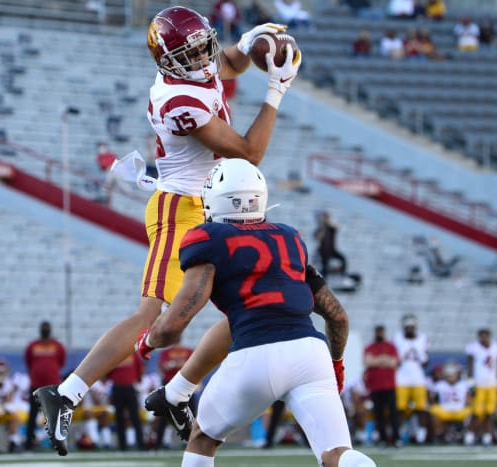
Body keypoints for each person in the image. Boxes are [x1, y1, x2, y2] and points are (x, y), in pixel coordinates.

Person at [32, 6, 301, 457]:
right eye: (191, 55)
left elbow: (229, 62)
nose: (202, 60)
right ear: (169, 61)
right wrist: (276, 89)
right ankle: (66, 393)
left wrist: (251, 41)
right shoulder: (176, 100)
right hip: (180, 209)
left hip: (214, 207)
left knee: (250, 310)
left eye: (203, 49)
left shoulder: (193, 63)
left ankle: (176, 394)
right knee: (152, 318)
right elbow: (248, 152)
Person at [136, 159, 376, 467]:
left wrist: (148, 340)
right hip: (311, 353)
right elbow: (338, 316)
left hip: (255, 354)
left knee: (203, 438)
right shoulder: (289, 237)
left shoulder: (206, 237)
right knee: (337, 454)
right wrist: (337, 364)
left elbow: (173, 325)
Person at [23, 321, 66, 451]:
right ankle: (28, 444)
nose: (45, 330)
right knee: (32, 416)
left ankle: (58, 443)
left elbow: (61, 362)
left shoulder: (57, 346)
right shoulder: (33, 346)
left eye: (47, 328)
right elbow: (29, 362)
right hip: (36, 386)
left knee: (54, 415)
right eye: (44, 328)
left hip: (52, 386)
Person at [393, 314, 429, 444]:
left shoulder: (422, 338)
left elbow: (426, 362)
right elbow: (396, 360)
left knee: (421, 409)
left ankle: (421, 436)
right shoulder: (398, 338)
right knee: (400, 409)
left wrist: (419, 354)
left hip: (418, 379)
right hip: (401, 379)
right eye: (407, 327)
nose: (409, 330)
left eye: (411, 327)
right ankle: (401, 434)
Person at [464, 329, 497, 446]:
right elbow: (470, 365)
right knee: (476, 413)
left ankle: (487, 435)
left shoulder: (496, 347)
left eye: (486, 336)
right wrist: (470, 381)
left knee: (490, 413)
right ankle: (470, 434)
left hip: (492, 385)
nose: (484, 338)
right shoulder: (474, 347)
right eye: (482, 336)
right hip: (479, 384)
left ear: (490, 336)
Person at [363, 325, 400, 447]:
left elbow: (393, 362)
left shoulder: (391, 347)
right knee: (379, 415)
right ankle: (382, 439)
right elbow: (368, 362)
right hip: (375, 387)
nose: (379, 334)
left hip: (389, 385)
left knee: (393, 413)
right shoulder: (370, 347)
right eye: (378, 332)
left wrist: (376, 360)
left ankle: (396, 438)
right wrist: (384, 359)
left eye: (381, 332)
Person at [154, 337, 194, 449]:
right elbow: (164, 367)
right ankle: (159, 442)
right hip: (170, 384)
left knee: (190, 413)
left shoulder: (188, 351)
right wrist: (177, 364)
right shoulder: (166, 352)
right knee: (165, 413)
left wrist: (173, 364)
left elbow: (192, 365)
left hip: (186, 384)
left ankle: (191, 441)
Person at [108, 354, 147, 451]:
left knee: (135, 416)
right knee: (119, 417)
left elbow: (139, 368)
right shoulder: (115, 354)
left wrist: (137, 379)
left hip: (129, 386)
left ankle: (140, 443)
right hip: (117, 387)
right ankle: (122, 445)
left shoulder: (133, 354)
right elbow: (108, 370)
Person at [429, 363, 471, 443]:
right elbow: (432, 400)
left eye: (452, 375)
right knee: (433, 410)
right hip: (445, 410)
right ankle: (441, 433)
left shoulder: (463, 385)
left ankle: (467, 434)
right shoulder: (440, 385)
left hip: (460, 410)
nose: (451, 377)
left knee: (473, 411)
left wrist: (468, 403)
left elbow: (469, 400)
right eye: (449, 375)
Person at [314, 210, 347, 278]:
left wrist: (328, 222)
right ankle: (324, 279)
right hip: (323, 252)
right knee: (325, 267)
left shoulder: (331, 228)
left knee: (343, 260)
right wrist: (323, 227)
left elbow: (337, 227)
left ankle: (341, 274)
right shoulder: (319, 229)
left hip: (332, 250)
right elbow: (318, 238)